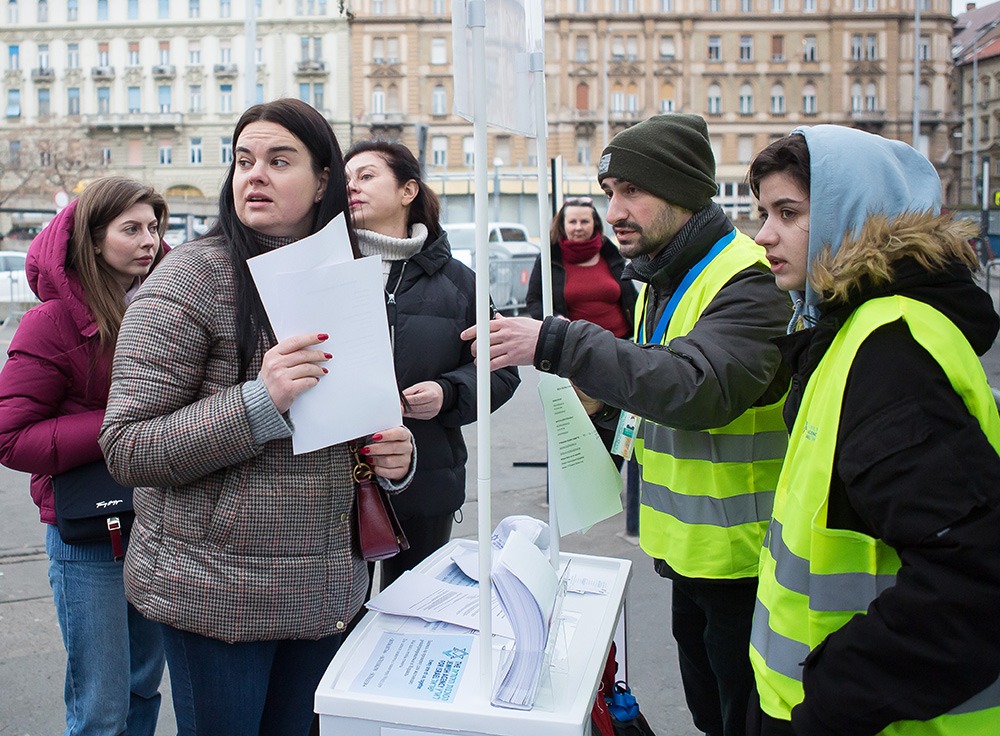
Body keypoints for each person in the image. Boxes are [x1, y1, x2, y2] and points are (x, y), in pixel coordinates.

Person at [462, 113, 791, 736]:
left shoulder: (749, 278)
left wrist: (556, 341)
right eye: (610, 192)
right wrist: (605, 407)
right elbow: (659, 392)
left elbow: (701, 386)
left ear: (686, 192)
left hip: (749, 564)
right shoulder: (658, 280)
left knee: (740, 720)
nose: (615, 210)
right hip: (692, 555)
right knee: (709, 715)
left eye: (633, 191)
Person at [98, 99, 415, 736]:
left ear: (324, 180)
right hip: (215, 597)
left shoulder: (348, 278)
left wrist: (393, 457)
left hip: (327, 591)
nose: (255, 176)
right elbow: (127, 445)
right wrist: (256, 404)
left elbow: (355, 423)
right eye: (244, 161)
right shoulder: (189, 278)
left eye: (278, 160)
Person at [746, 126, 1000, 735]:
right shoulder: (858, 327)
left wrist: (834, 695)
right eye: (762, 213)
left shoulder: (890, 350)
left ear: (849, 214)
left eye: (788, 212)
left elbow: (974, 574)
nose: (763, 235)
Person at [0, 176, 168, 735]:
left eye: (153, 227)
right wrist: (120, 428)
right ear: (93, 240)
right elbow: (11, 436)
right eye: (131, 229)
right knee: (101, 707)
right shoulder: (51, 322)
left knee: (144, 685)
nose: (149, 239)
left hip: (161, 523)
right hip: (88, 534)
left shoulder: (169, 308)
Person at [344, 139, 520, 588]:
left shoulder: (459, 281)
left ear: (408, 191)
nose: (352, 187)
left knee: (415, 620)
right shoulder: (328, 269)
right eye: (346, 179)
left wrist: (447, 393)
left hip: (427, 479)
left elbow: (501, 369)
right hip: (335, 485)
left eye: (366, 176)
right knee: (342, 632)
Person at [525, 196, 637, 468]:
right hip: (573, 355)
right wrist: (554, 323)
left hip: (618, 351)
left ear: (595, 224)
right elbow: (534, 301)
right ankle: (575, 497)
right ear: (561, 226)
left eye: (584, 221)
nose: (578, 227)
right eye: (572, 221)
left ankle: (608, 484)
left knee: (616, 426)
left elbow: (628, 296)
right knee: (577, 430)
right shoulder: (550, 259)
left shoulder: (611, 254)